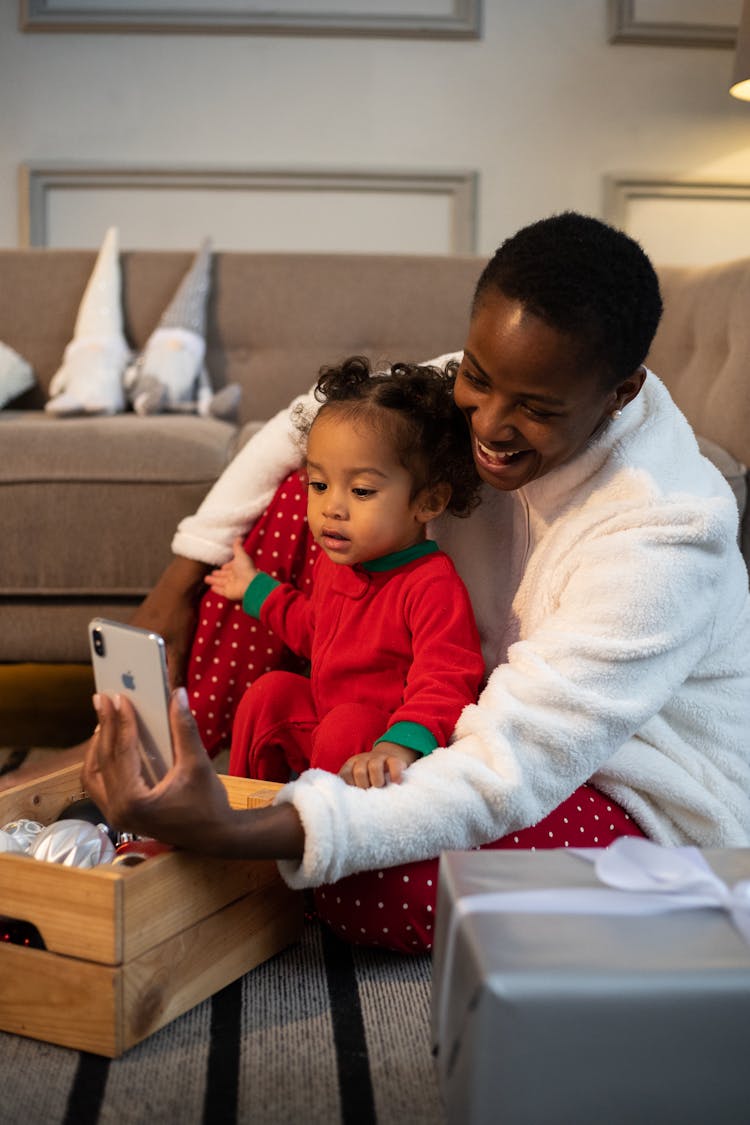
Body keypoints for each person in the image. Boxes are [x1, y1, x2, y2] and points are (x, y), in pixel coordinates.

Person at [84, 212, 750, 955]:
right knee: (329, 473)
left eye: (534, 408)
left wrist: (245, 831)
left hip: (615, 783)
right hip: (440, 713)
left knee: (371, 882)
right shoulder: (460, 390)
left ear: (619, 394)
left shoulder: (664, 528)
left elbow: (514, 762)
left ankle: (238, 822)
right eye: (478, 378)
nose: (489, 425)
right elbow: (301, 425)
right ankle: (188, 770)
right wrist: (179, 580)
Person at [204, 356, 485, 787]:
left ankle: (323, 829)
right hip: (323, 720)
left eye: (361, 491)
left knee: (347, 724)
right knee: (271, 691)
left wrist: (400, 744)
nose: (332, 507)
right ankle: (245, 807)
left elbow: (447, 678)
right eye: (319, 485)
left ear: (427, 503)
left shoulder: (431, 583)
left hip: (381, 750)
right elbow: (314, 630)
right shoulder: (336, 562)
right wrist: (254, 588)